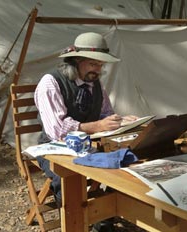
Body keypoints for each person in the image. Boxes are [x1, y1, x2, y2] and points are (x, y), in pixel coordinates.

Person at [34, 32, 137, 231]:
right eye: (93, 64)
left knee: (123, 161)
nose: (98, 70)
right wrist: (97, 126)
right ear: (75, 61)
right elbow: (57, 130)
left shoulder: (94, 82)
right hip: (54, 148)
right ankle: (77, 222)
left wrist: (121, 120)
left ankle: (102, 217)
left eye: (101, 65)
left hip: (88, 145)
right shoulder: (50, 83)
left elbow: (106, 113)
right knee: (66, 176)